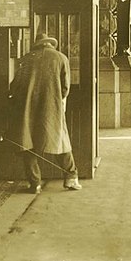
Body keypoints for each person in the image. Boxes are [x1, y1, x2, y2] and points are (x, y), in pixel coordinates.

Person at [8, 33, 81, 194]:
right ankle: (71, 178)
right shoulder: (61, 58)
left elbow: (15, 86)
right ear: (49, 44)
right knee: (60, 141)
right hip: (51, 106)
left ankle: (35, 184)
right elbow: (65, 88)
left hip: (27, 108)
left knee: (28, 143)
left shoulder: (27, 59)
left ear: (37, 44)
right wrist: (55, 98)